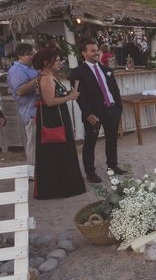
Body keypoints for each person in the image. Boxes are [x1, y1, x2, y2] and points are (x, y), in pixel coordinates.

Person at [32, 49, 86, 199]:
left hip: (57, 116)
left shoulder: (49, 76)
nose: (59, 63)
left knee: (60, 150)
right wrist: (70, 97)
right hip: (53, 118)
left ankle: (63, 185)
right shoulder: (46, 78)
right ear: (46, 63)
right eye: (56, 61)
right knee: (57, 150)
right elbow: (49, 102)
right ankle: (60, 188)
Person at [70, 40, 124, 183]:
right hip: (94, 113)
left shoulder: (107, 69)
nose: (96, 53)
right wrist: (87, 113)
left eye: (97, 50)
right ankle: (90, 171)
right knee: (90, 142)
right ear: (84, 53)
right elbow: (79, 96)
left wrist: (118, 108)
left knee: (112, 139)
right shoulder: (77, 72)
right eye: (92, 50)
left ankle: (112, 165)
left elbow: (115, 90)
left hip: (111, 109)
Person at [7, 43, 39, 168]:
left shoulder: (30, 68)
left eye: (33, 54)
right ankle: (32, 172)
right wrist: (37, 78)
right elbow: (20, 91)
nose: (32, 57)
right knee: (33, 144)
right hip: (30, 112)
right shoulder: (16, 70)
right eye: (30, 54)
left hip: (37, 109)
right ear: (20, 55)